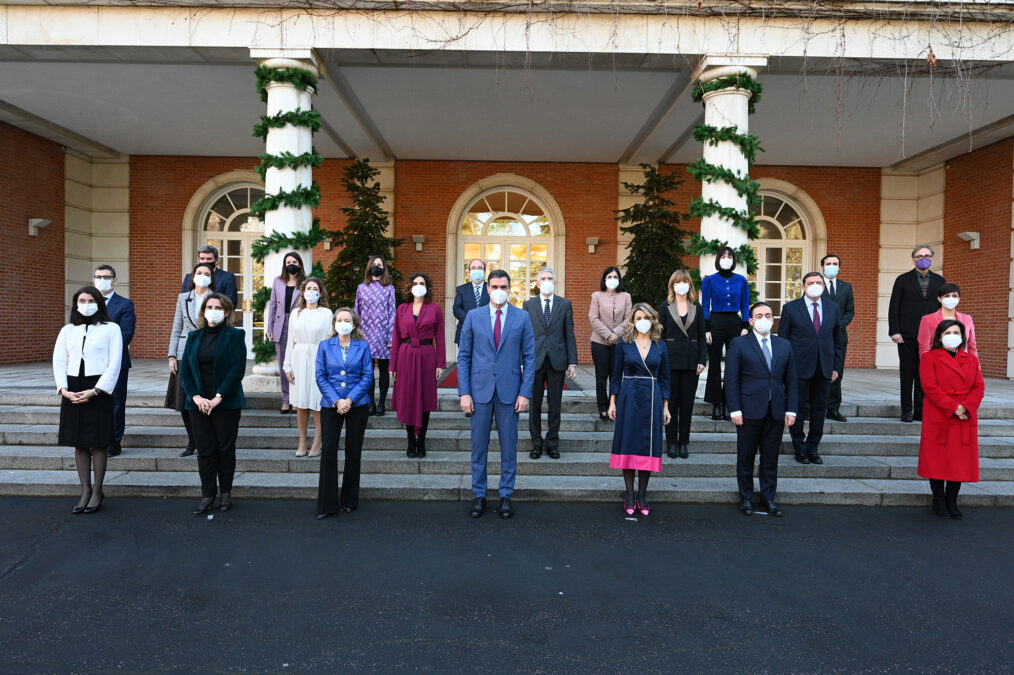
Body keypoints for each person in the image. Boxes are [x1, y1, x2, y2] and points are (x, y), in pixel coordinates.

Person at [458, 269, 536, 520]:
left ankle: (505, 495)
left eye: (504, 286)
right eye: (494, 286)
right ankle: (479, 495)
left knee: (509, 448)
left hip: (510, 393)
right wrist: (464, 393)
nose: (499, 291)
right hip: (479, 392)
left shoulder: (522, 317)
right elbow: (464, 357)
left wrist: (525, 393)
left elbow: (530, 358)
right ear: (488, 289)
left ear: (509, 289)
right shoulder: (473, 316)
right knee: (479, 447)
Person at [53, 287, 123, 514]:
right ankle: (85, 489)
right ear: (75, 304)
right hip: (73, 387)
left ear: (99, 304)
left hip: (98, 389)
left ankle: (97, 491)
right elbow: (59, 361)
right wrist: (63, 389)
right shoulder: (67, 330)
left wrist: (96, 390)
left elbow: (115, 363)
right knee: (79, 442)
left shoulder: (111, 328)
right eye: (82, 300)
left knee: (98, 442)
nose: (86, 304)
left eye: (91, 300)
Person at [726, 302, 798, 517]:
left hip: (776, 410)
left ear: (773, 319)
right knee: (746, 457)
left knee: (770, 458)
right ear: (750, 320)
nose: (764, 319)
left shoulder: (784, 345)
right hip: (748, 411)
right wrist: (735, 410)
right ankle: (746, 498)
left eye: (768, 315)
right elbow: (731, 379)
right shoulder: (739, 344)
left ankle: (768, 498)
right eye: (759, 315)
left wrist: (791, 410)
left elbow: (791, 380)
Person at [179, 293, 247, 515]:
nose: (213, 310)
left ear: (227, 311)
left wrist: (218, 397)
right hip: (198, 405)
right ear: (203, 310)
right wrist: (197, 397)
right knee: (205, 450)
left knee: (225, 449)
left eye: (218, 307)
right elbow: (186, 372)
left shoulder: (235, 335)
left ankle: (225, 493)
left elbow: (237, 370)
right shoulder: (193, 336)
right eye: (209, 306)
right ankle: (208, 494)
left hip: (225, 403)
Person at [608, 303, 671, 516]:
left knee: (647, 446)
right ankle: (629, 494)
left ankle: (642, 495)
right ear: (632, 321)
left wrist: (666, 406)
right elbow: (616, 375)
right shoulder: (623, 344)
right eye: (637, 317)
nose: (641, 321)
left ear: (652, 319)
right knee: (629, 443)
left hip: (651, 398)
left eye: (645, 317)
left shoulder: (660, 345)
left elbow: (665, 378)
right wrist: (612, 402)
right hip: (629, 396)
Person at [918, 320, 985, 519]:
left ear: (963, 336)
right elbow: (930, 387)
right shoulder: (930, 358)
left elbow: (979, 387)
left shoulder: (971, 360)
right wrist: (954, 407)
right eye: (948, 332)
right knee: (936, 460)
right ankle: (938, 500)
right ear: (939, 335)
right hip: (940, 413)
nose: (953, 335)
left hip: (964, 415)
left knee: (959, 461)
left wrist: (966, 406)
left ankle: (952, 500)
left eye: (956, 332)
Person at [777, 273, 844, 465]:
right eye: (811, 283)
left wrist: (836, 367)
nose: (815, 286)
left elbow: (837, 341)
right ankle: (799, 448)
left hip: (824, 368)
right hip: (798, 368)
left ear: (823, 286)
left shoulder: (833, 308)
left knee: (819, 410)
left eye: (819, 283)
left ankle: (813, 447)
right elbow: (783, 341)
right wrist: (784, 368)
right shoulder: (791, 308)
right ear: (804, 287)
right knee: (796, 408)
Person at [315, 307, 373, 519]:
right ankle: (327, 503)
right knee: (329, 450)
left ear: (354, 324)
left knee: (353, 450)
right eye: (339, 319)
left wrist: (349, 399)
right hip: (331, 404)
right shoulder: (324, 346)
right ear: (334, 324)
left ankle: (349, 500)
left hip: (357, 404)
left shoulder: (363, 346)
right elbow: (320, 376)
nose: (343, 323)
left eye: (346, 319)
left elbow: (367, 376)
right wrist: (337, 400)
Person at [523, 267, 578, 460]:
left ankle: (552, 443)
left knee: (555, 405)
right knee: (534, 406)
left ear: (555, 282)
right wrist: (523, 361)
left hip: (557, 361)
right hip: (535, 361)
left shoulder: (565, 304)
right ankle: (536, 444)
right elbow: (525, 336)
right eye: (543, 278)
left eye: (550, 278)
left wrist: (573, 362)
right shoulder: (529, 305)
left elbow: (569, 334)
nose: (546, 281)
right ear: (537, 283)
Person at [390, 274, 446, 459]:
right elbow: (396, 337)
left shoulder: (435, 308)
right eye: (415, 283)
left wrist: (441, 363)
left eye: (422, 283)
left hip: (426, 355)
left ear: (427, 287)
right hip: (405, 355)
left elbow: (440, 337)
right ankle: (410, 439)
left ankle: (421, 439)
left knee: (424, 397)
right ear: (410, 287)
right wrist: (393, 365)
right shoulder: (402, 308)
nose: (418, 286)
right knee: (407, 397)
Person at [888, 244, 946, 422]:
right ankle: (906, 410)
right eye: (919, 256)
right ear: (914, 259)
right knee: (907, 373)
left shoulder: (940, 281)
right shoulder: (903, 280)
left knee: (924, 374)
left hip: (930, 337)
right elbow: (894, 307)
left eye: (927, 256)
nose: (923, 259)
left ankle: (920, 410)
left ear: (932, 258)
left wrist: (942, 333)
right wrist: (895, 331)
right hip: (906, 334)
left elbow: (942, 308)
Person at [168, 262, 216, 457]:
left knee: (204, 396)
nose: (202, 276)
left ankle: (206, 439)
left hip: (206, 351)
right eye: (199, 272)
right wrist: (172, 355)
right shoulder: (183, 298)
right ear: (192, 276)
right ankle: (192, 441)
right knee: (185, 400)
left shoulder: (215, 299)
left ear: (211, 278)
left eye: (206, 273)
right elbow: (176, 327)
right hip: (184, 351)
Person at [283, 277, 333, 458]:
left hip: (319, 358)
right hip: (298, 358)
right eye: (308, 288)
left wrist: (329, 366)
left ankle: (318, 440)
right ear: (303, 292)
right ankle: (303, 440)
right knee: (301, 402)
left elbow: (329, 340)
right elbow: (290, 341)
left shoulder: (327, 313)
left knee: (318, 402)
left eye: (315, 288)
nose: (311, 291)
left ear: (320, 292)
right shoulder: (296, 313)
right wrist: (287, 365)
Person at [659, 270, 706, 459]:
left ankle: (683, 442)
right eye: (678, 281)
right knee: (670, 403)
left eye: (685, 281)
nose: (682, 284)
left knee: (687, 404)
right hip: (670, 360)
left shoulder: (697, 307)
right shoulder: (665, 306)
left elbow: (702, 336)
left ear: (690, 285)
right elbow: (660, 336)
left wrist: (702, 360)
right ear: (672, 285)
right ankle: (670, 441)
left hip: (691, 361)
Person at [701, 246, 750, 421]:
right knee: (714, 364)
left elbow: (745, 304)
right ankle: (716, 404)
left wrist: (745, 325)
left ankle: (730, 403)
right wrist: (706, 328)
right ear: (718, 259)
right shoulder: (710, 280)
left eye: (729, 256)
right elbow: (705, 305)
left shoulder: (741, 280)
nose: (726, 258)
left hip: (734, 323)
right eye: (723, 256)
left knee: (733, 364)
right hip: (716, 322)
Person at [93, 265, 135, 457]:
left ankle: (114, 442)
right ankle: (96, 439)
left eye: (106, 277)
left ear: (115, 280)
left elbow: (125, 334)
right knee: (94, 404)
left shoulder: (125, 304)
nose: (102, 280)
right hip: (90, 363)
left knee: (116, 403)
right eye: (98, 276)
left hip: (116, 362)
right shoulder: (86, 302)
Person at [355, 255, 396, 417]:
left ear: (384, 268)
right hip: (366, 333)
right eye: (374, 264)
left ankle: (381, 404)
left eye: (380, 264)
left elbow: (392, 313)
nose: (376, 267)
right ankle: (370, 403)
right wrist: (356, 334)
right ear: (369, 266)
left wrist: (391, 336)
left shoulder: (389, 288)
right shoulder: (361, 287)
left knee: (384, 369)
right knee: (368, 370)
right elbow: (356, 311)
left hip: (383, 333)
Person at [589, 266, 632, 421]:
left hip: (619, 343)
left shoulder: (626, 296)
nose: (612, 279)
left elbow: (629, 319)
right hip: (599, 343)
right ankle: (602, 407)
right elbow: (593, 318)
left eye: (615, 277)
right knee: (601, 377)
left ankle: (615, 405)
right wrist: (608, 335)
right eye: (609, 277)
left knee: (616, 376)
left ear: (619, 280)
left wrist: (616, 334)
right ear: (604, 279)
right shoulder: (597, 296)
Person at [267, 251, 306, 414]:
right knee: (284, 363)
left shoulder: (305, 282)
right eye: (288, 261)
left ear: (299, 264)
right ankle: (286, 399)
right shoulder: (278, 281)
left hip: (298, 324)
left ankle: (296, 400)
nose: (291, 264)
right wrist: (270, 327)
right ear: (284, 264)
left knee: (297, 363)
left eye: (294, 262)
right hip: (280, 324)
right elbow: (273, 305)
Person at [821, 254, 854, 422]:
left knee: (836, 373)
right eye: (829, 263)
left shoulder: (846, 287)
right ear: (823, 267)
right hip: (819, 336)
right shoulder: (816, 286)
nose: (832, 266)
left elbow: (850, 311)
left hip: (839, 336)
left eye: (835, 264)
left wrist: (839, 324)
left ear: (839, 267)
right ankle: (812, 408)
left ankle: (833, 409)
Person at [917, 283, 978, 358]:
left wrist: (976, 368)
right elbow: (924, 348)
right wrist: (927, 366)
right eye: (947, 296)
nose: (951, 298)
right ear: (939, 299)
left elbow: (972, 346)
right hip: (939, 363)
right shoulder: (927, 319)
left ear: (959, 299)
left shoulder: (967, 319)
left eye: (954, 296)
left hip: (963, 363)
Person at [452, 258, 490, 345]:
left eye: (480, 268)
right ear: (469, 271)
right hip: (465, 331)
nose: (476, 270)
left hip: (486, 333)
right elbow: (456, 309)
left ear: (484, 271)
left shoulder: (491, 288)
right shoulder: (461, 289)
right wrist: (471, 319)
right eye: (473, 268)